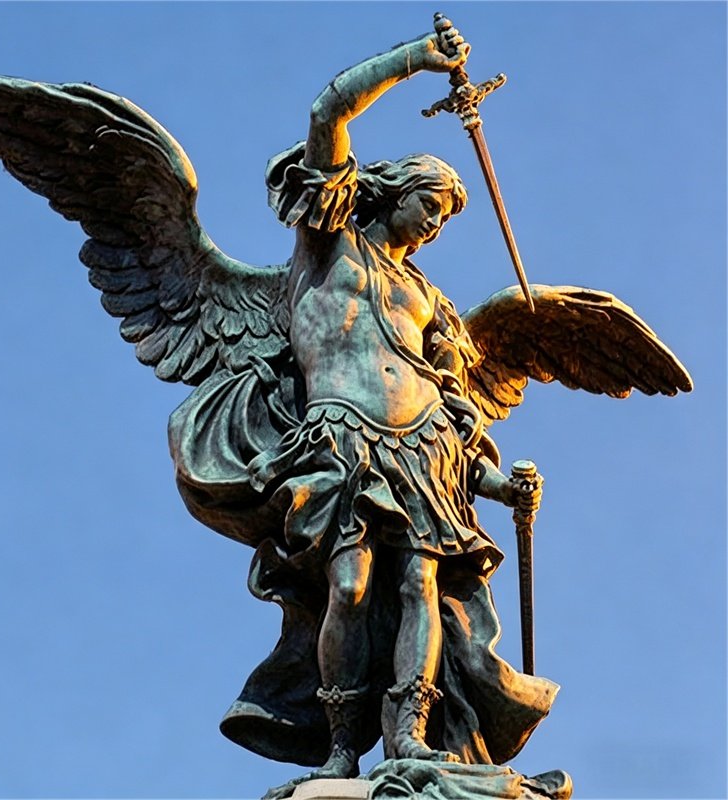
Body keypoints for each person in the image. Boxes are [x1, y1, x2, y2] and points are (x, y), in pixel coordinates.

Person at [228, 25, 547, 782]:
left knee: (419, 585)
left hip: (423, 448)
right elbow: (326, 113)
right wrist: (416, 61)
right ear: (397, 191)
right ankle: (341, 743)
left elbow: (456, 413)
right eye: (429, 205)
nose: (435, 224)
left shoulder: (428, 300)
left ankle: (409, 737)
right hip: (340, 437)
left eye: (445, 219)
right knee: (348, 585)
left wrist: (502, 487)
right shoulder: (327, 242)